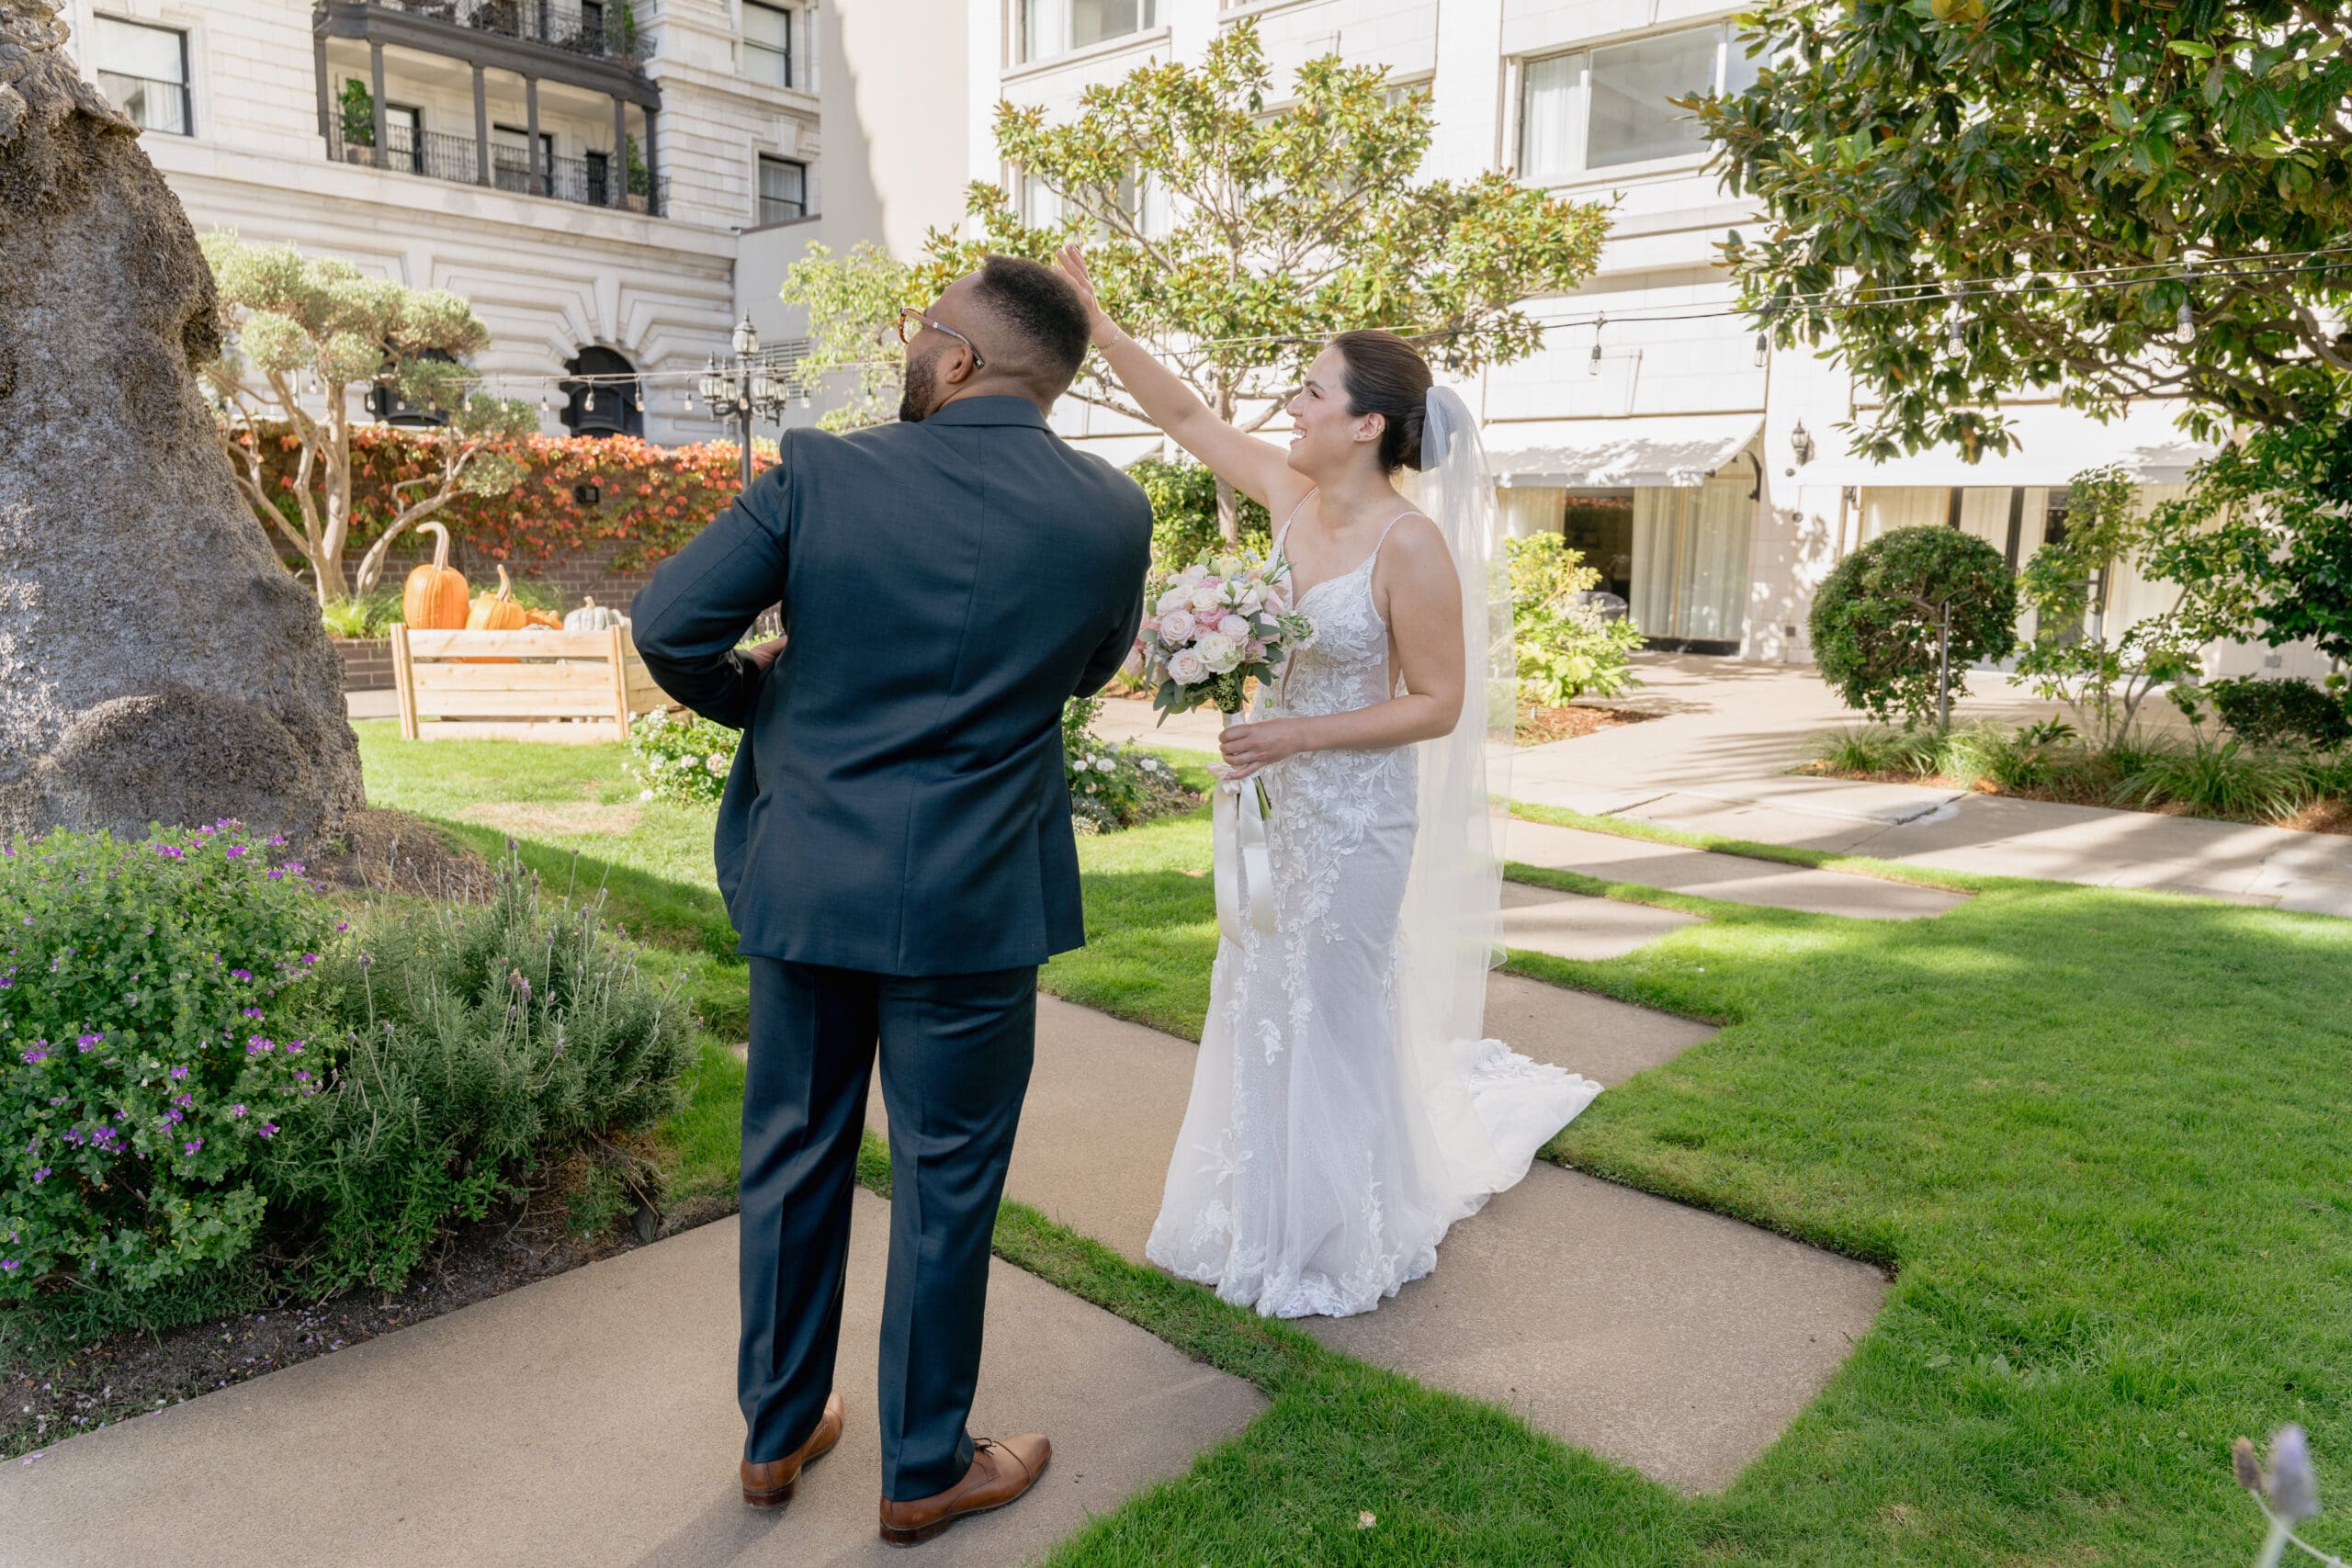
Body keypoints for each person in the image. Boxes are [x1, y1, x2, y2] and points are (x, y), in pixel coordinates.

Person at [630, 255, 1153, 1547]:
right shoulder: (1112, 512)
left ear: (962, 358)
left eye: (922, 335)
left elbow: (666, 626)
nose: (911, 352)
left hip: (810, 882)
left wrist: (769, 698)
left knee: (795, 1157)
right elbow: (1088, 672)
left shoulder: (823, 471)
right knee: (947, 1181)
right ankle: (923, 1463)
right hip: (978, 901)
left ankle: (775, 1433)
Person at [1055, 244, 1602, 1319]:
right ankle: (1257, 1216)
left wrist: (1299, 732)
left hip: (1355, 818)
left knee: (1333, 1008)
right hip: (1278, 800)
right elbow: (1186, 422)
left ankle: (1342, 1231)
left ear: (1365, 425)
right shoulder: (1285, 496)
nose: (1288, 406)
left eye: (1310, 390)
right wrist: (1103, 328)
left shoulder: (1410, 546)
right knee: (1261, 998)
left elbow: (1436, 702)